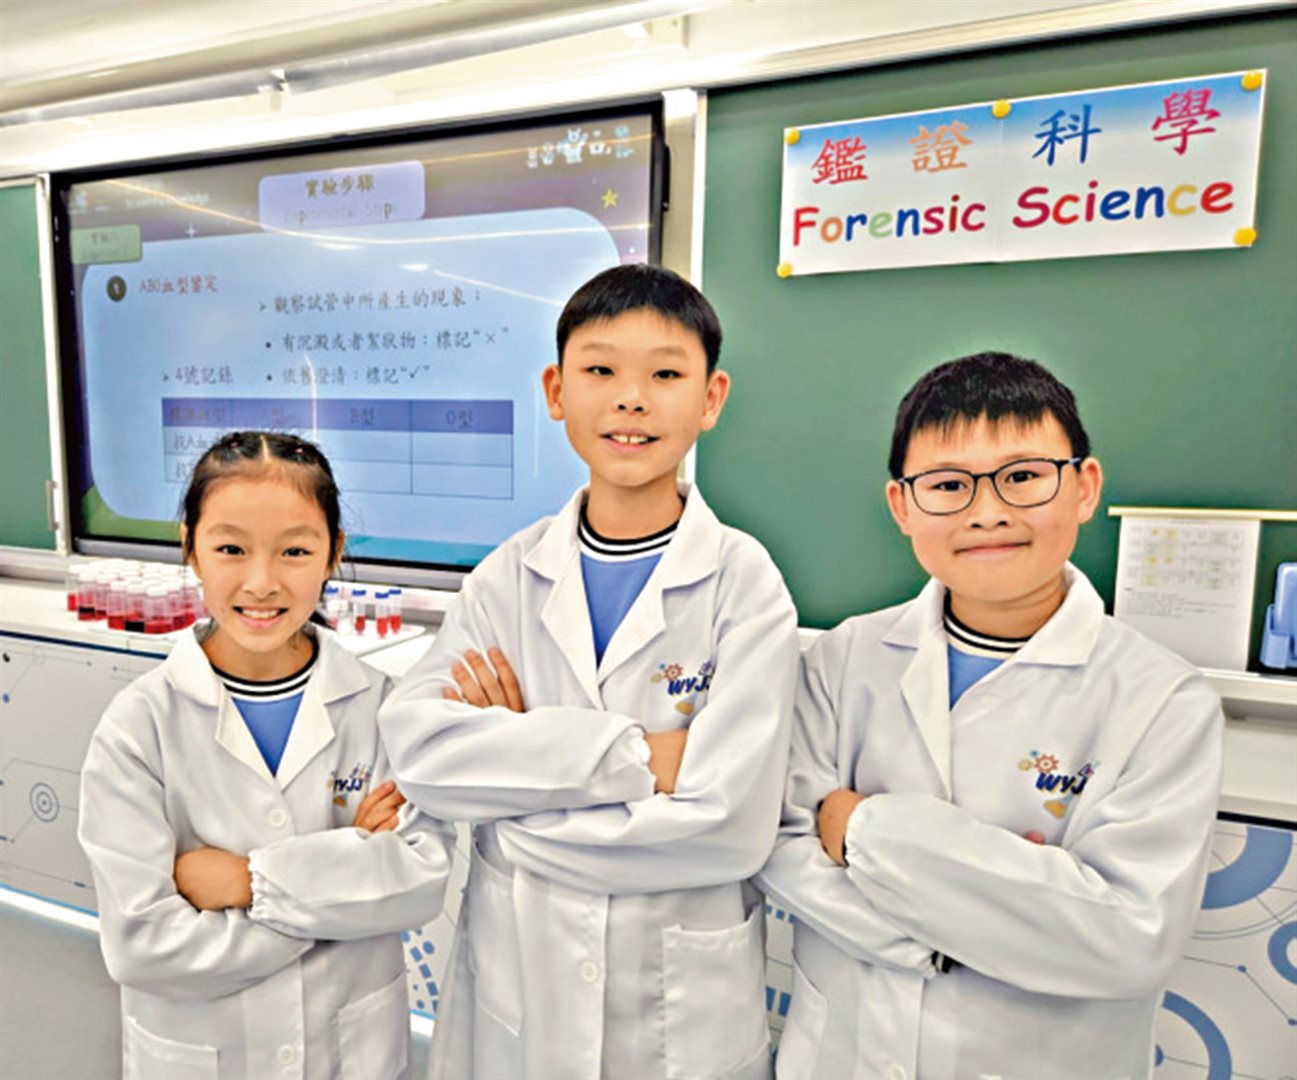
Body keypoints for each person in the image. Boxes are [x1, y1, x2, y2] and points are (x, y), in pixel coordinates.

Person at [379, 264, 799, 1079]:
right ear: (555, 390)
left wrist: (517, 786)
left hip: (676, 1013)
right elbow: (421, 755)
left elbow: (729, 828)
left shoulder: (744, 582)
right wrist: (642, 757)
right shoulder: (508, 575)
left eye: (665, 375)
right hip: (520, 984)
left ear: (710, 398)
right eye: (600, 369)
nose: (630, 400)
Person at [757, 352, 1224, 1080]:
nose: (987, 512)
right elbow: (782, 843)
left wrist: (863, 829)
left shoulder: (1163, 701)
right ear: (901, 506)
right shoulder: (844, 658)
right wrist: (978, 919)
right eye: (948, 485)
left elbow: (1127, 939)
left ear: (1084, 487)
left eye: (1023, 476)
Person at [78, 431, 454, 1080]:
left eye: (295, 551)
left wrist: (246, 883)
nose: (261, 582)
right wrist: (344, 883)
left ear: (334, 553)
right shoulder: (139, 727)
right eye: (230, 549)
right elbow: (144, 946)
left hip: (351, 1053)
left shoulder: (381, 709)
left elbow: (418, 885)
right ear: (190, 548)